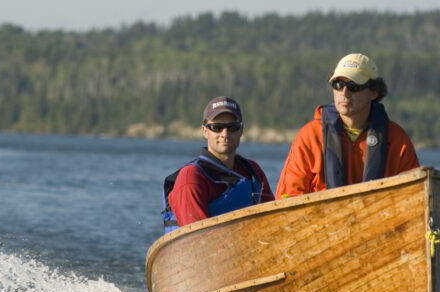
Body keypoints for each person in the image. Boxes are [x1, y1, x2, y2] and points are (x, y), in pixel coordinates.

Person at [276, 53, 419, 198]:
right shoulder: (310, 136)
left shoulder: (397, 140)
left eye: (354, 86)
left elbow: (414, 197)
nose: (344, 92)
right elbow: (287, 199)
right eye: (338, 85)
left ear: (374, 92)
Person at [161, 96, 275, 233]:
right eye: (217, 127)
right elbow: (197, 239)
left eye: (232, 127)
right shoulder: (191, 177)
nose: (225, 134)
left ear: (241, 131)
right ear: (205, 131)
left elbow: (273, 222)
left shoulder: (252, 170)